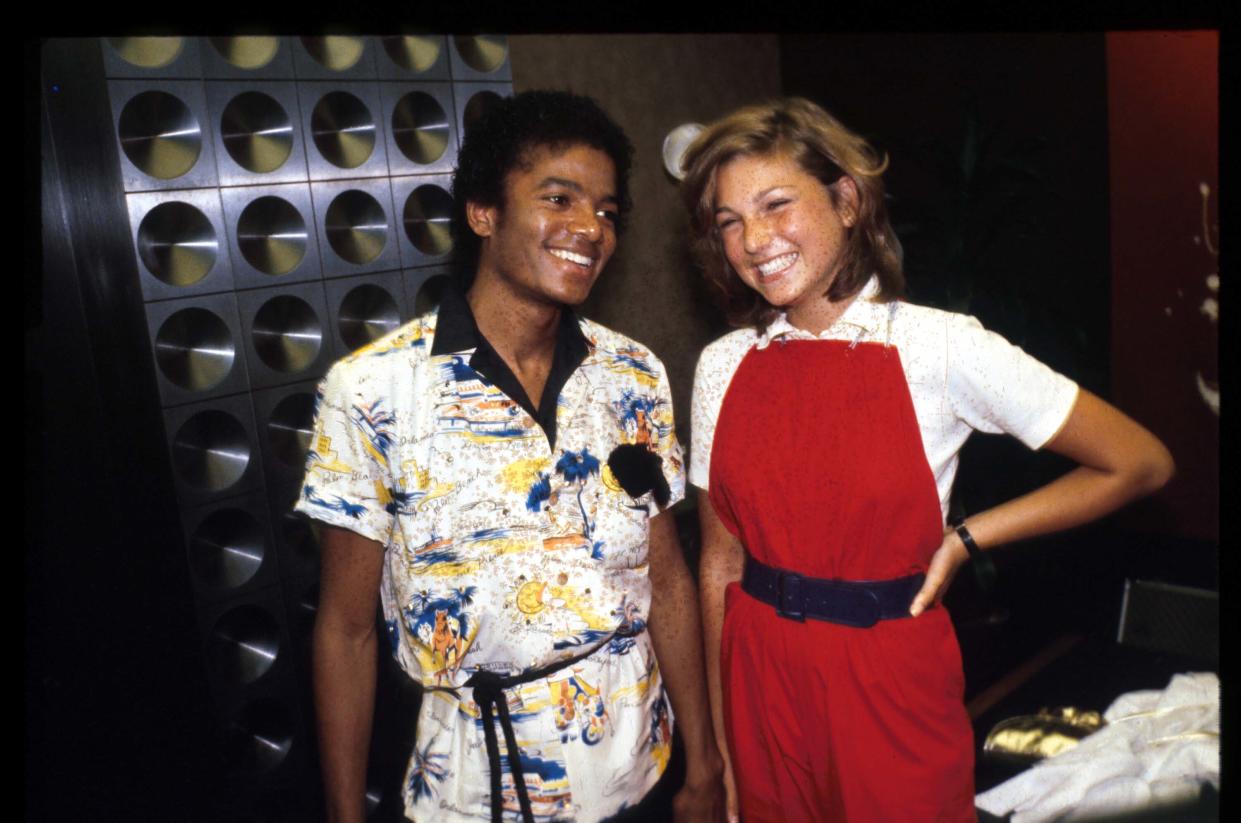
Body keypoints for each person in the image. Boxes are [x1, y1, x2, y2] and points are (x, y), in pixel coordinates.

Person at [680, 98, 1174, 822]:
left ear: (845, 199)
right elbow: (720, 563)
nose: (753, 239)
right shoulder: (721, 365)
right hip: (759, 683)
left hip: (886, 683)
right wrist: (722, 753)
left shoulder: (940, 346)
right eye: (728, 221)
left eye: (776, 204)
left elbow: (1138, 461)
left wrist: (969, 537)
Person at [299, 90, 724, 823]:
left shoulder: (633, 375)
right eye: (558, 198)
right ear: (483, 213)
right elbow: (346, 628)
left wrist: (704, 762)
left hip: (640, 772)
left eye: (607, 211)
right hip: (478, 790)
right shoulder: (373, 390)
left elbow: (667, 579)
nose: (590, 228)